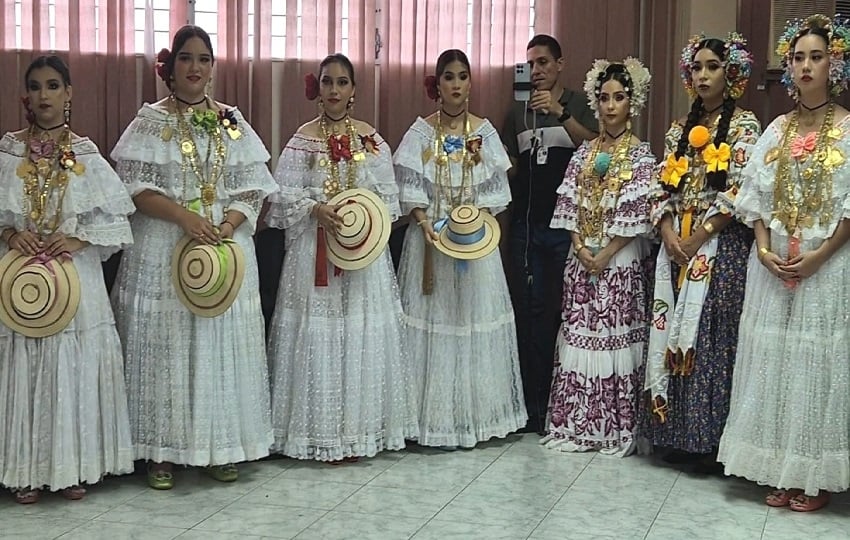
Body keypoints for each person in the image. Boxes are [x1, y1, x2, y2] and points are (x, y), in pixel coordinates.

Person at [110, 25, 276, 489]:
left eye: (204, 58)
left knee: (217, 345)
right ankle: (161, 451)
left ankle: (217, 445)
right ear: (169, 66)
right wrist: (185, 218)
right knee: (168, 345)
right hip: (165, 243)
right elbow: (135, 189)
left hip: (223, 247)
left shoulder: (231, 121)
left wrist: (226, 226)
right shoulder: (151, 121)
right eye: (186, 58)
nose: (196, 67)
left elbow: (252, 189)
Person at [718, 14, 850, 512]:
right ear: (788, 68)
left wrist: (818, 257)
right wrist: (762, 246)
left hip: (827, 266)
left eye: (816, 56)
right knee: (775, 360)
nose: (806, 65)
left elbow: (848, 206)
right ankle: (778, 468)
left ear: (833, 63)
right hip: (773, 263)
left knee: (815, 363)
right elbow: (754, 199)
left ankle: (812, 478)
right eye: (798, 58)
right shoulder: (775, 130)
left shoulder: (847, 128)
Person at [265, 53, 417, 462]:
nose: (334, 90)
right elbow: (281, 195)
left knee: (357, 333)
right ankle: (316, 430)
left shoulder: (371, 140)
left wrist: (360, 219)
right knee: (318, 333)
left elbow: (388, 199)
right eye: (328, 82)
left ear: (353, 89)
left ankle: (358, 430)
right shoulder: (302, 138)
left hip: (361, 256)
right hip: (314, 250)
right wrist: (317, 209)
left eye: (343, 83)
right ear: (319, 87)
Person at [0, 55, 135, 503]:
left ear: (69, 93)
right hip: (20, 277)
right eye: (36, 87)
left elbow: (116, 224)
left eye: (53, 86)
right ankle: (25, 468)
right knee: (25, 363)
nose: (44, 96)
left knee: (71, 365)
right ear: (27, 94)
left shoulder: (88, 153)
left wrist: (76, 240)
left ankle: (73, 463)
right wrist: (10, 232)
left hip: (74, 280)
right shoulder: (8, 149)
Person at [393, 49, 526, 449]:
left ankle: (475, 417)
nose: (455, 84)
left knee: (471, 322)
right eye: (448, 76)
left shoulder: (483, 133)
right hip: (430, 241)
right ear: (438, 84)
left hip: (472, 242)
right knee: (435, 324)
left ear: (470, 82)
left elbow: (495, 193)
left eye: (462, 76)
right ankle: (430, 419)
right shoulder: (420, 133)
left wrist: (470, 222)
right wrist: (426, 225)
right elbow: (409, 191)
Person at [644, 33, 761, 469]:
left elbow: (742, 189)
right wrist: (671, 230)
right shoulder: (678, 128)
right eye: (697, 67)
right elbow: (662, 187)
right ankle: (675, 435)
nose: (704, 75)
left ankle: (710, 442)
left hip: (722, 247)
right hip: (678, 246)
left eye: (713, 66)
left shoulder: (746, 126)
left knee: (711, 338)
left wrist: (700, 235)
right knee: (671, 326)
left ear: (731, 74)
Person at [541, 58, 653, 455]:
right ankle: (577, 425)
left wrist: (604, 253)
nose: (609, 106)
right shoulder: (584, 153)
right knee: (579, 339)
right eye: (603, 98)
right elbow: (568, 199)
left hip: (618, 262)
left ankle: (613, 429)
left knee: (613, 342)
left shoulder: (641, 156)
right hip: (583, 260)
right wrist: (580, 247)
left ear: (631, 103)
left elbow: (636, 213)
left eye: (618, 98)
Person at [502, 34, 597, 434]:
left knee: (561, 314)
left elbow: (597, 149)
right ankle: (533, 406)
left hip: (566, 229)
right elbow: (508, 164)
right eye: (531, 64)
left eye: (543, 62)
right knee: (530, 313)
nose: (537, 70)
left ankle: (563, 405)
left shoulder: (578, 104)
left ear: (560, 64)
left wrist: (559, 113)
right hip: (527, 226)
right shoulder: (517, 112)